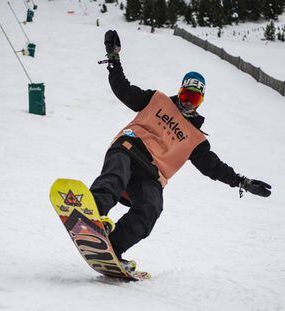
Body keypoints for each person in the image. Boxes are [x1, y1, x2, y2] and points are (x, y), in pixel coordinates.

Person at [90, 30, 272, 272]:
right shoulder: (158, 100)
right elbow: (123, 89)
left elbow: (214, 167)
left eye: (194, 99)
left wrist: (242, 181)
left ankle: (113, 247)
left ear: (200, 101)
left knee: (152, 208)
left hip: (152, 174)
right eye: (185, 95)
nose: (187, 102)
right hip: (130, 148)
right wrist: (114, 59)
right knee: (116, 174)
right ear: (180, 91)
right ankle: (92, 214)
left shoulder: (196, 139)